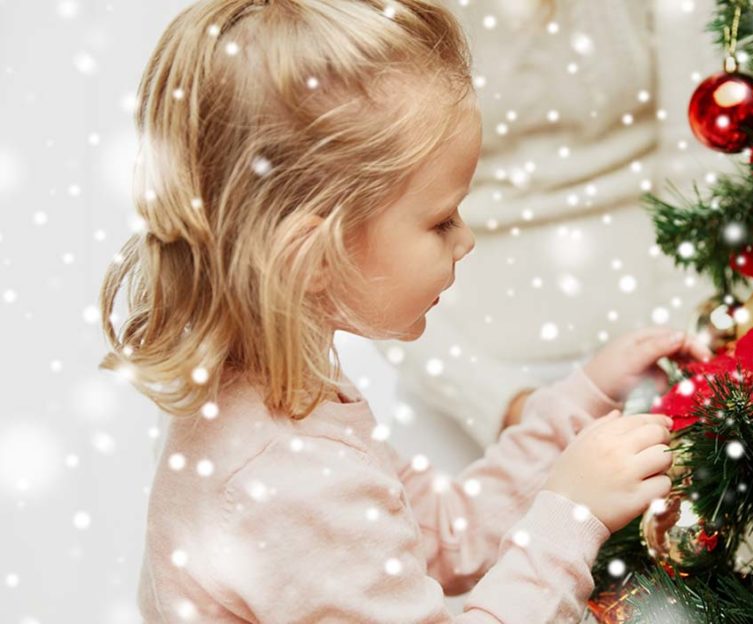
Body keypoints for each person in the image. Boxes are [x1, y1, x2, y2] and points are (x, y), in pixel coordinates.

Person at [98, 1, 709, 620]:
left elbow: (444, 532)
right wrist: (571, 519)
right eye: (441, 220)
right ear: (314, 258)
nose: (465, 240)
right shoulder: (290, 477)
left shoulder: (287, 395)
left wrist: (578, 402)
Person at [373, 0, 717, 450]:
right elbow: (363, 239)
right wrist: (502, 403)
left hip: (658, 342)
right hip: (450, 365)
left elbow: (704, 163)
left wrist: (679, 350)